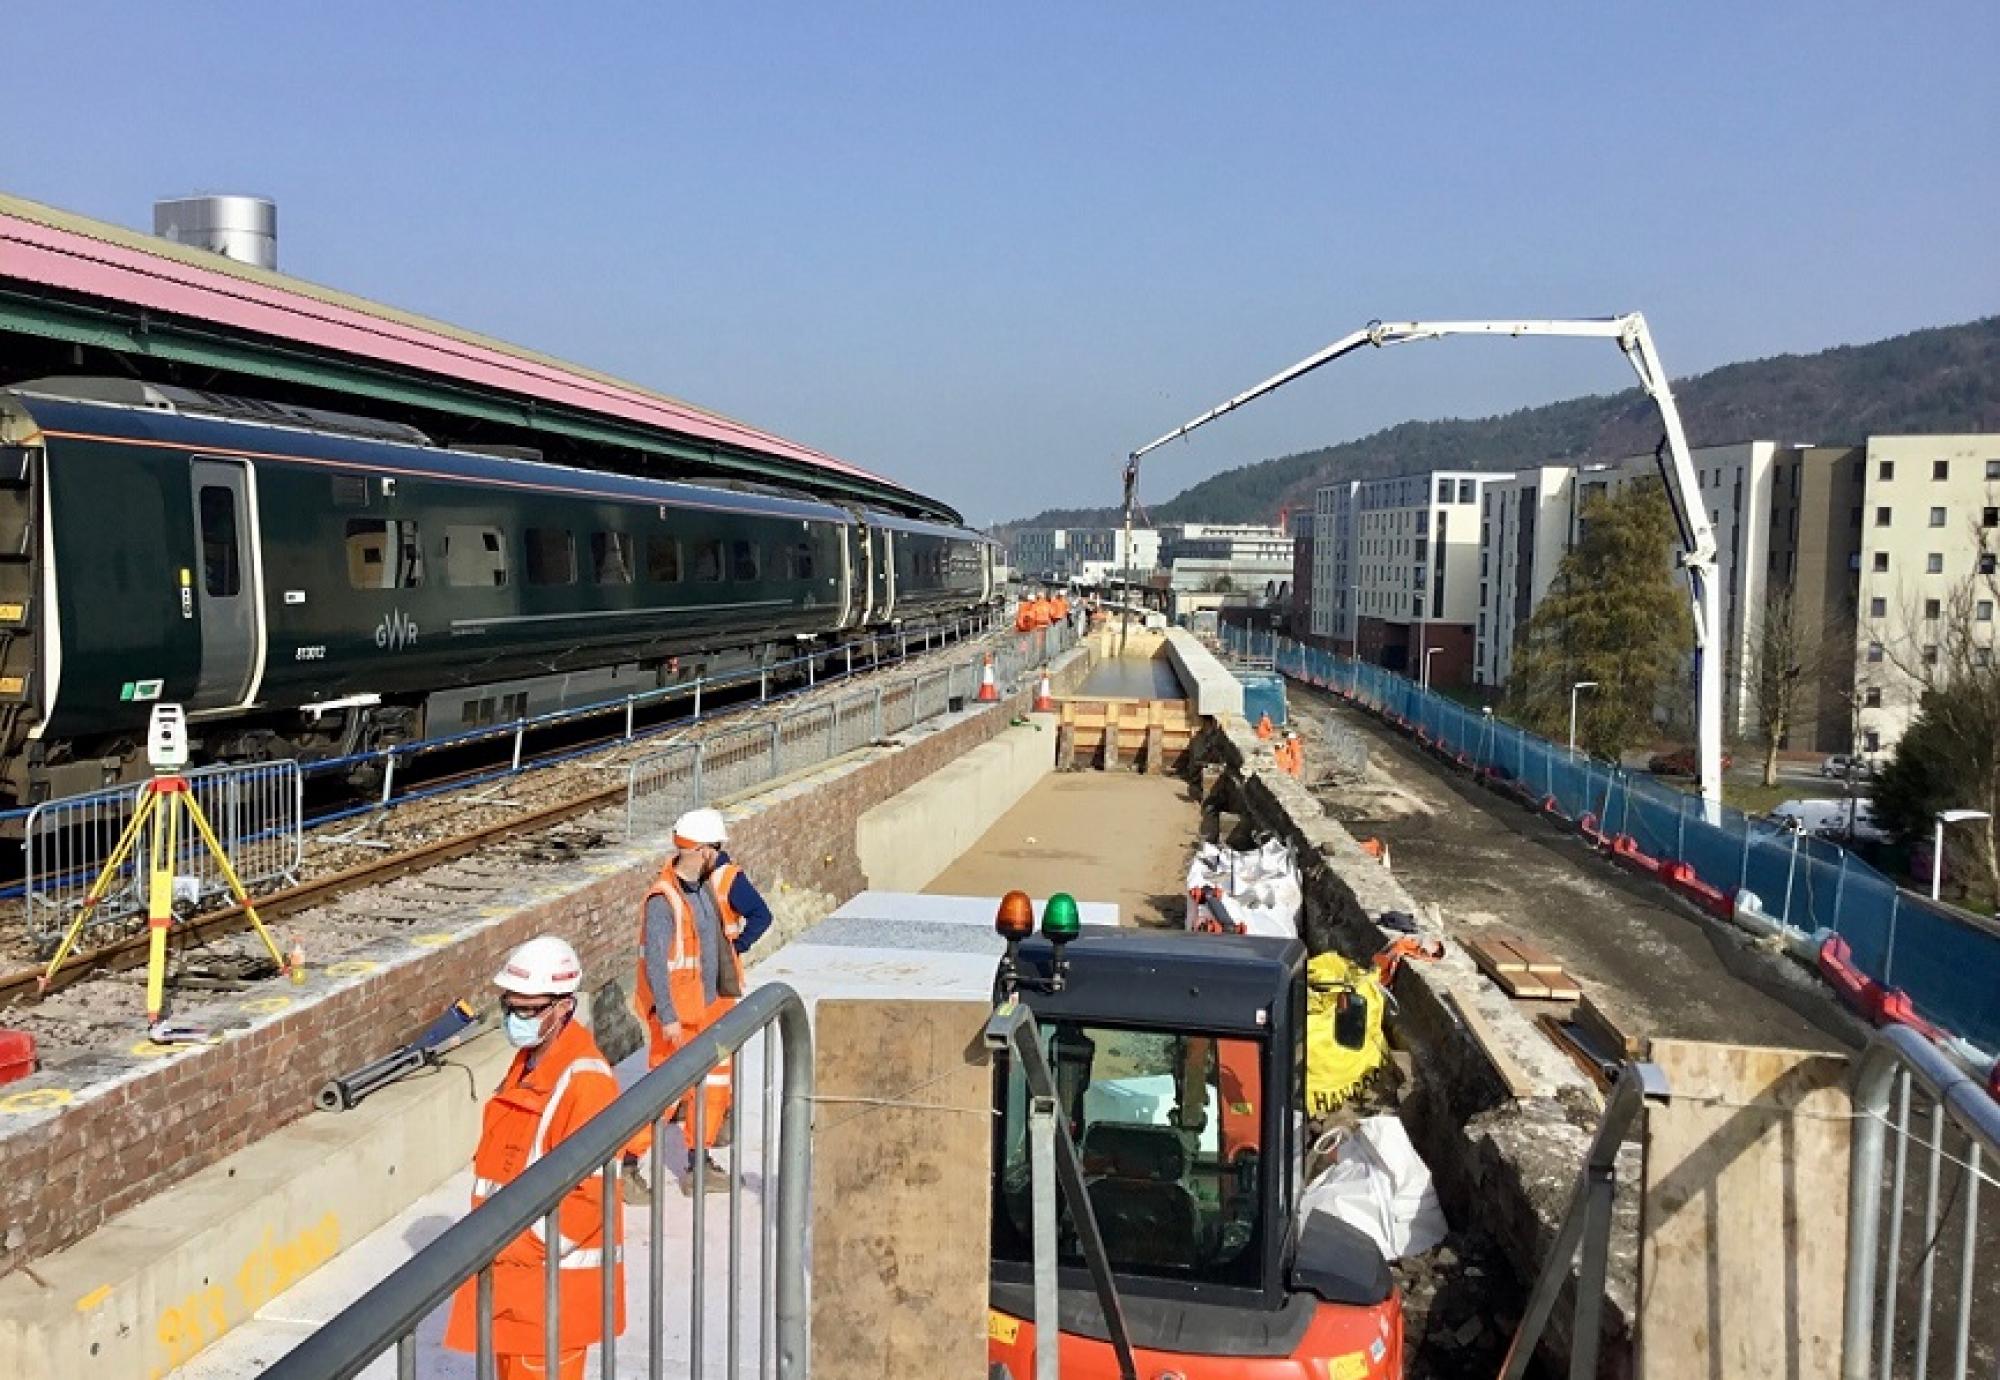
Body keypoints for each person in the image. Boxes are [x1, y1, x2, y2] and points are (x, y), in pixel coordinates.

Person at [445, 936, 624, 1380]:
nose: (515, 1019)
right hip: (520, 1280)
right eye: (510, 1007)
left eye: (528, 1010)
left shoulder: (586, 1083)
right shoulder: (531, 1062)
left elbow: (588, 1200)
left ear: (564, 1007)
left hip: (548, 1291)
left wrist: (512, 1249)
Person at [624, 807, 772, 1196]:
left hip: (704, 1010)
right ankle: (626, 1163)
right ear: (704, 850)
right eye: (716, 848)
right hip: (678, 1016)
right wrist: (669, 1016)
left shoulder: (702, 889)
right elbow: (656, 961)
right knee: (665, 1094)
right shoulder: (664, 899)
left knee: (713, 1086)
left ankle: (698, 1161)